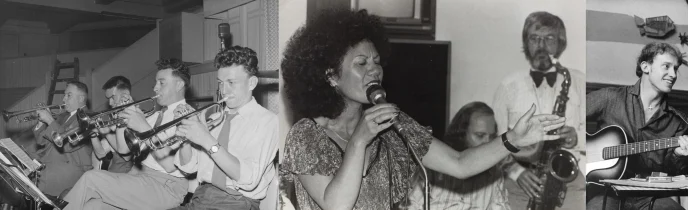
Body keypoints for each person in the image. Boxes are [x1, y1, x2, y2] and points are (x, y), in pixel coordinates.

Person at [280, 9, 566, 210]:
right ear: (330, 75)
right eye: (361, 63)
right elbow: (337, 205)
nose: (374, 70)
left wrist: (512, 140)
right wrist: (358, 140)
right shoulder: (307, 136)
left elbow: (459, 164)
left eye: (377, 61)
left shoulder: (394, 124)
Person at [61, 58, 192, 209]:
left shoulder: (188, 116)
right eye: (155, 83)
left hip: (166, 186)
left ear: (179, 84)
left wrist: (143, 126)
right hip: (142, 178)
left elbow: (170, 166)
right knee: (92, 207)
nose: (155, 88)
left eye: (161, 83)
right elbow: (124, 150)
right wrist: (124, 116)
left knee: (91, 178)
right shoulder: (156, 116)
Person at [585, 42, 688, 210]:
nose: (673, 74)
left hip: (649, 197)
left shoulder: (678, 120)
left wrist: (679, 154)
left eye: (676, 69)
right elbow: (568, 116)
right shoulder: (610, 98)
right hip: (606, 193)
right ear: (646, 66)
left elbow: (676, 172)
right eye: (666, 66)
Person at [491, 11, 585, 209]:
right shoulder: (508, 85)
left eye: (549, 38)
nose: (541, 46)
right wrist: (517, 172)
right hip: (521, 179)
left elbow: (598, 134)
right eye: (535, 39)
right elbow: (496, 139)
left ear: (560, 44)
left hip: (568, 175)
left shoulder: (579, 82)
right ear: (526, 44)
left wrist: (577, 137)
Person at [172, 46, 279, 209]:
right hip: (200, 198)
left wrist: (206, 140)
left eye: (231, 83)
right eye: (220, 83)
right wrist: (185, 137)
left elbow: (248, 179)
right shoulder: (215, 118)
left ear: (252, 83)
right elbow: (188, 166)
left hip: (236, 202)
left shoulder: (268, 122)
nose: (224, 90)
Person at [401, 102, 511, 210]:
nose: (487, 143)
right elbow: (411, 205)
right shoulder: (432, 169)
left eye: (492, 136)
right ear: (461, 134)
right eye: (480, 135)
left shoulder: (494, 174)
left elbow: (500, 206)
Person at [34, 81, 94, 197]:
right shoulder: (63, 116)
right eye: (64, 95)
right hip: (52, 168)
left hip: (68, 174)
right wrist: (41, 122)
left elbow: (67, 144)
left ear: (81, 98)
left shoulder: (88, 117)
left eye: (68, 95)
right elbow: (41, 142)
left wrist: (50, 121)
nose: (63, 99)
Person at [89, 76, 135, 173]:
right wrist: (93, 134)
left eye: (112, 97)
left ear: (125, 95)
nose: (110, 103)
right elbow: (101, 154)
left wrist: (106, 133)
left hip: (127, 176)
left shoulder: (135, 117)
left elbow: (127, 157)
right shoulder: (114, 118)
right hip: (113, 173)